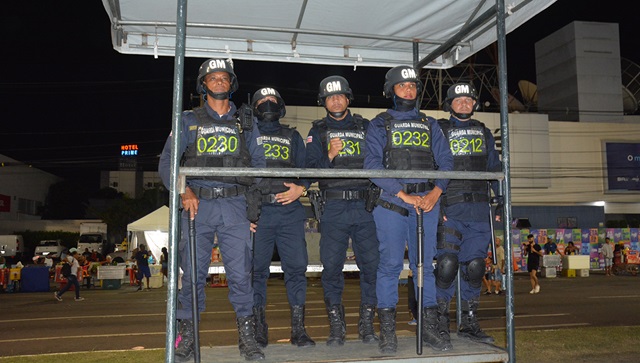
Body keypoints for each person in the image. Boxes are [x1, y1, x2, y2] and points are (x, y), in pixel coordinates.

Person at [158, 58, 266, 362]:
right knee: (192, 275)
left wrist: (247, 197)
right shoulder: (187, 120)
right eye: (213, 78)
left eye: (224, 78)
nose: (219, 82)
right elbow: (168, 163)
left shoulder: (247, 123)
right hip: (197, 205)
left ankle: (248, 339)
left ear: (231, 84)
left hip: (233, 206)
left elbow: (259, 165)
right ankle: (186, 338)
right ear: (203, 84)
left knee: (241, 276)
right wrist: (184, 190)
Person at [364, 65, 454, 353]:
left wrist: (436, 193)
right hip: (392, 204)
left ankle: (427, 328)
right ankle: (387, 332)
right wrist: (402, 194)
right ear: (392, 90)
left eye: (413, 85)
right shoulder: (379, 124)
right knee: (390, 267)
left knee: (424, 268)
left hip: (426, 205)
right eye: (403, 86)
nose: (409, 90)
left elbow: (446, 163)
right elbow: (372, 168)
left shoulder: (431, 124)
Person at [305, 75, 380, 346]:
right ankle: (337, 327)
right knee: (332, 269)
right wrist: (328, 156)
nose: (335, 100)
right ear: (323, 102)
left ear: (348, 98)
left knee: (372, 267)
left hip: (365, 206)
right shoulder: (318, 131)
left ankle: (367, 324)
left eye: (340, 95)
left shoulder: (367, 126)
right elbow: (309, 170)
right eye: (330, 96)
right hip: (333, 207)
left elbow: (381, 161)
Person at [434, 82, 502, 346]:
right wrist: (436, 206)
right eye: (458, 99)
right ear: (449, 104)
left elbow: (494, 168)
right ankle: (440, 324)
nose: (463, 103)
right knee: (447, 266)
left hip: (479, 210)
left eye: (468, 99)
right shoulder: (438, 130)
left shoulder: (484, 132)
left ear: (474, 104)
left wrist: (502, 200)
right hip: (450, 208)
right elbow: (431, 169)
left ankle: (469, 324)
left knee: (475, 268)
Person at [250, 87, 315, 348]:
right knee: (256, 273)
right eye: (262, 100)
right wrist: (245, 212)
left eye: (272, 100)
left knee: (297, 271)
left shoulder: (292, 135)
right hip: (259, 214)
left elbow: (307, 168)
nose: (268, 104)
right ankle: (257, 328)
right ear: (254, 107)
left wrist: (304, 187)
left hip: (289, 214)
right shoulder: (246, 135)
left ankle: (299, 330)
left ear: (281, 106)